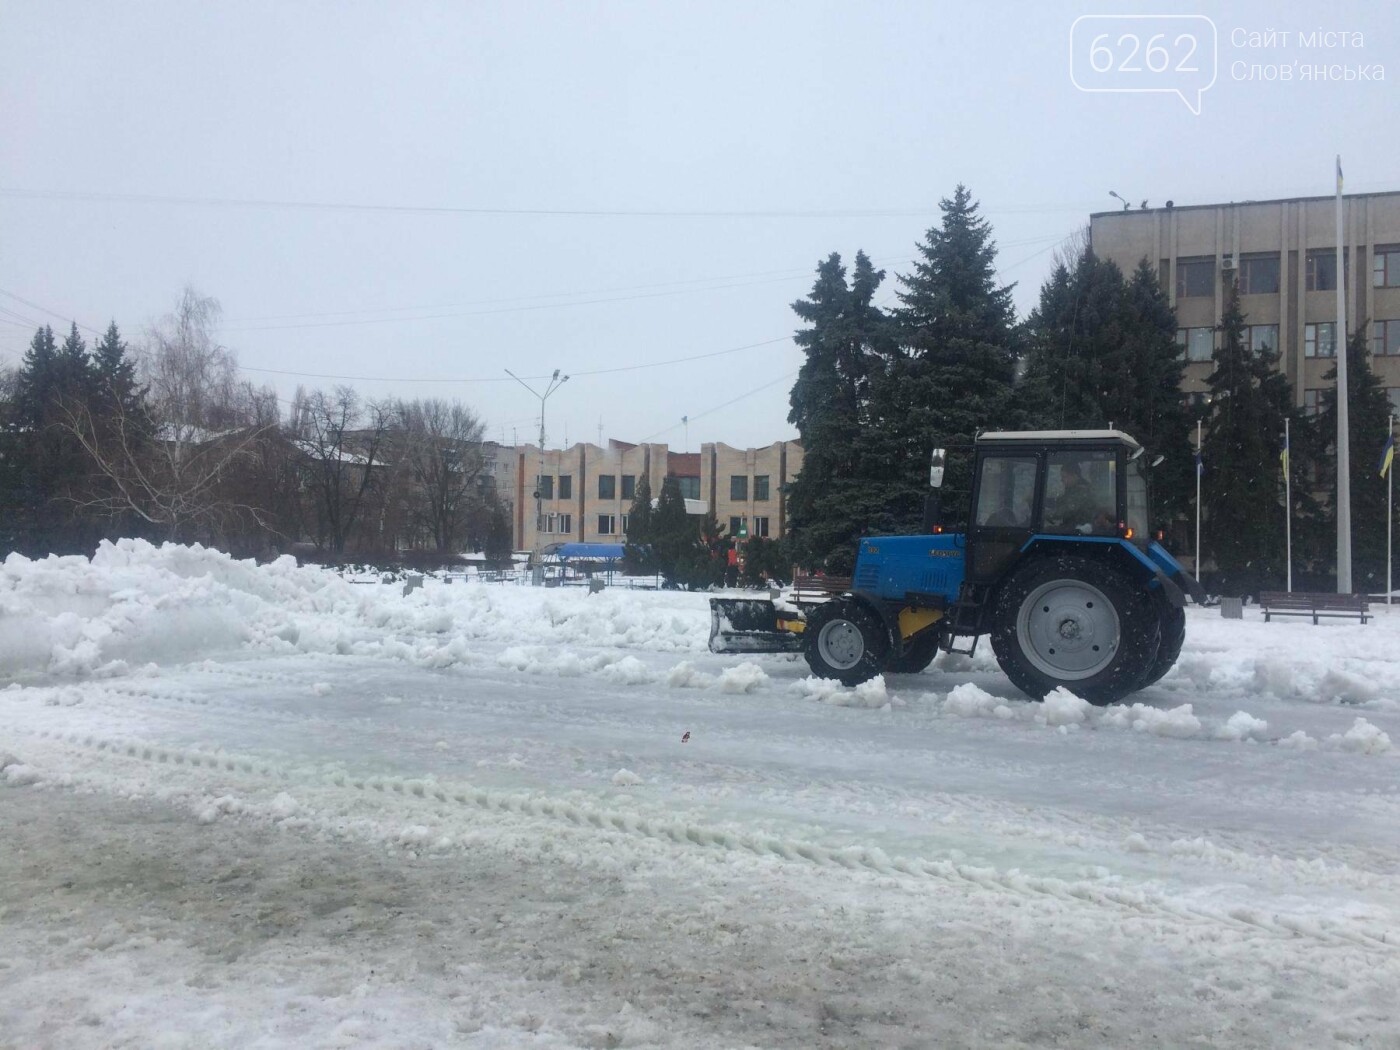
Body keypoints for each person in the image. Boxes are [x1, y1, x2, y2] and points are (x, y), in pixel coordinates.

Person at [1046, 462, 1111, 533]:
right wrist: (1045, 502)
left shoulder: (1082, 491)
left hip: (1081, 528)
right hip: (1075, 526)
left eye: (1064, 477)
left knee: (1047, 531)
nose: (1062, 480)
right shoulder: (1072, 490)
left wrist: (1048, 514)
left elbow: (1065, 509)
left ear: (1074, 476)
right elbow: (1060, 501)